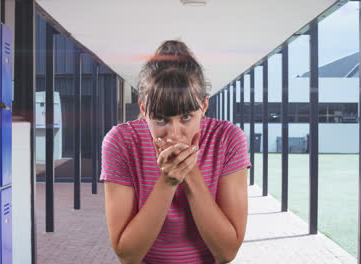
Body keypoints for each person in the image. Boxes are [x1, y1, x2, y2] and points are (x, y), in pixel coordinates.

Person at [100, 40, 252, 264]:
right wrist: (168, 182)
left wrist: (189, 172)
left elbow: (227, 252)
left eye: (186, 117)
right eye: (161, 119)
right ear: (143, 109)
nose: (174, 135)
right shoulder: (122, 141)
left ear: (204, 106)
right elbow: (128, 255)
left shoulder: (228, 139)